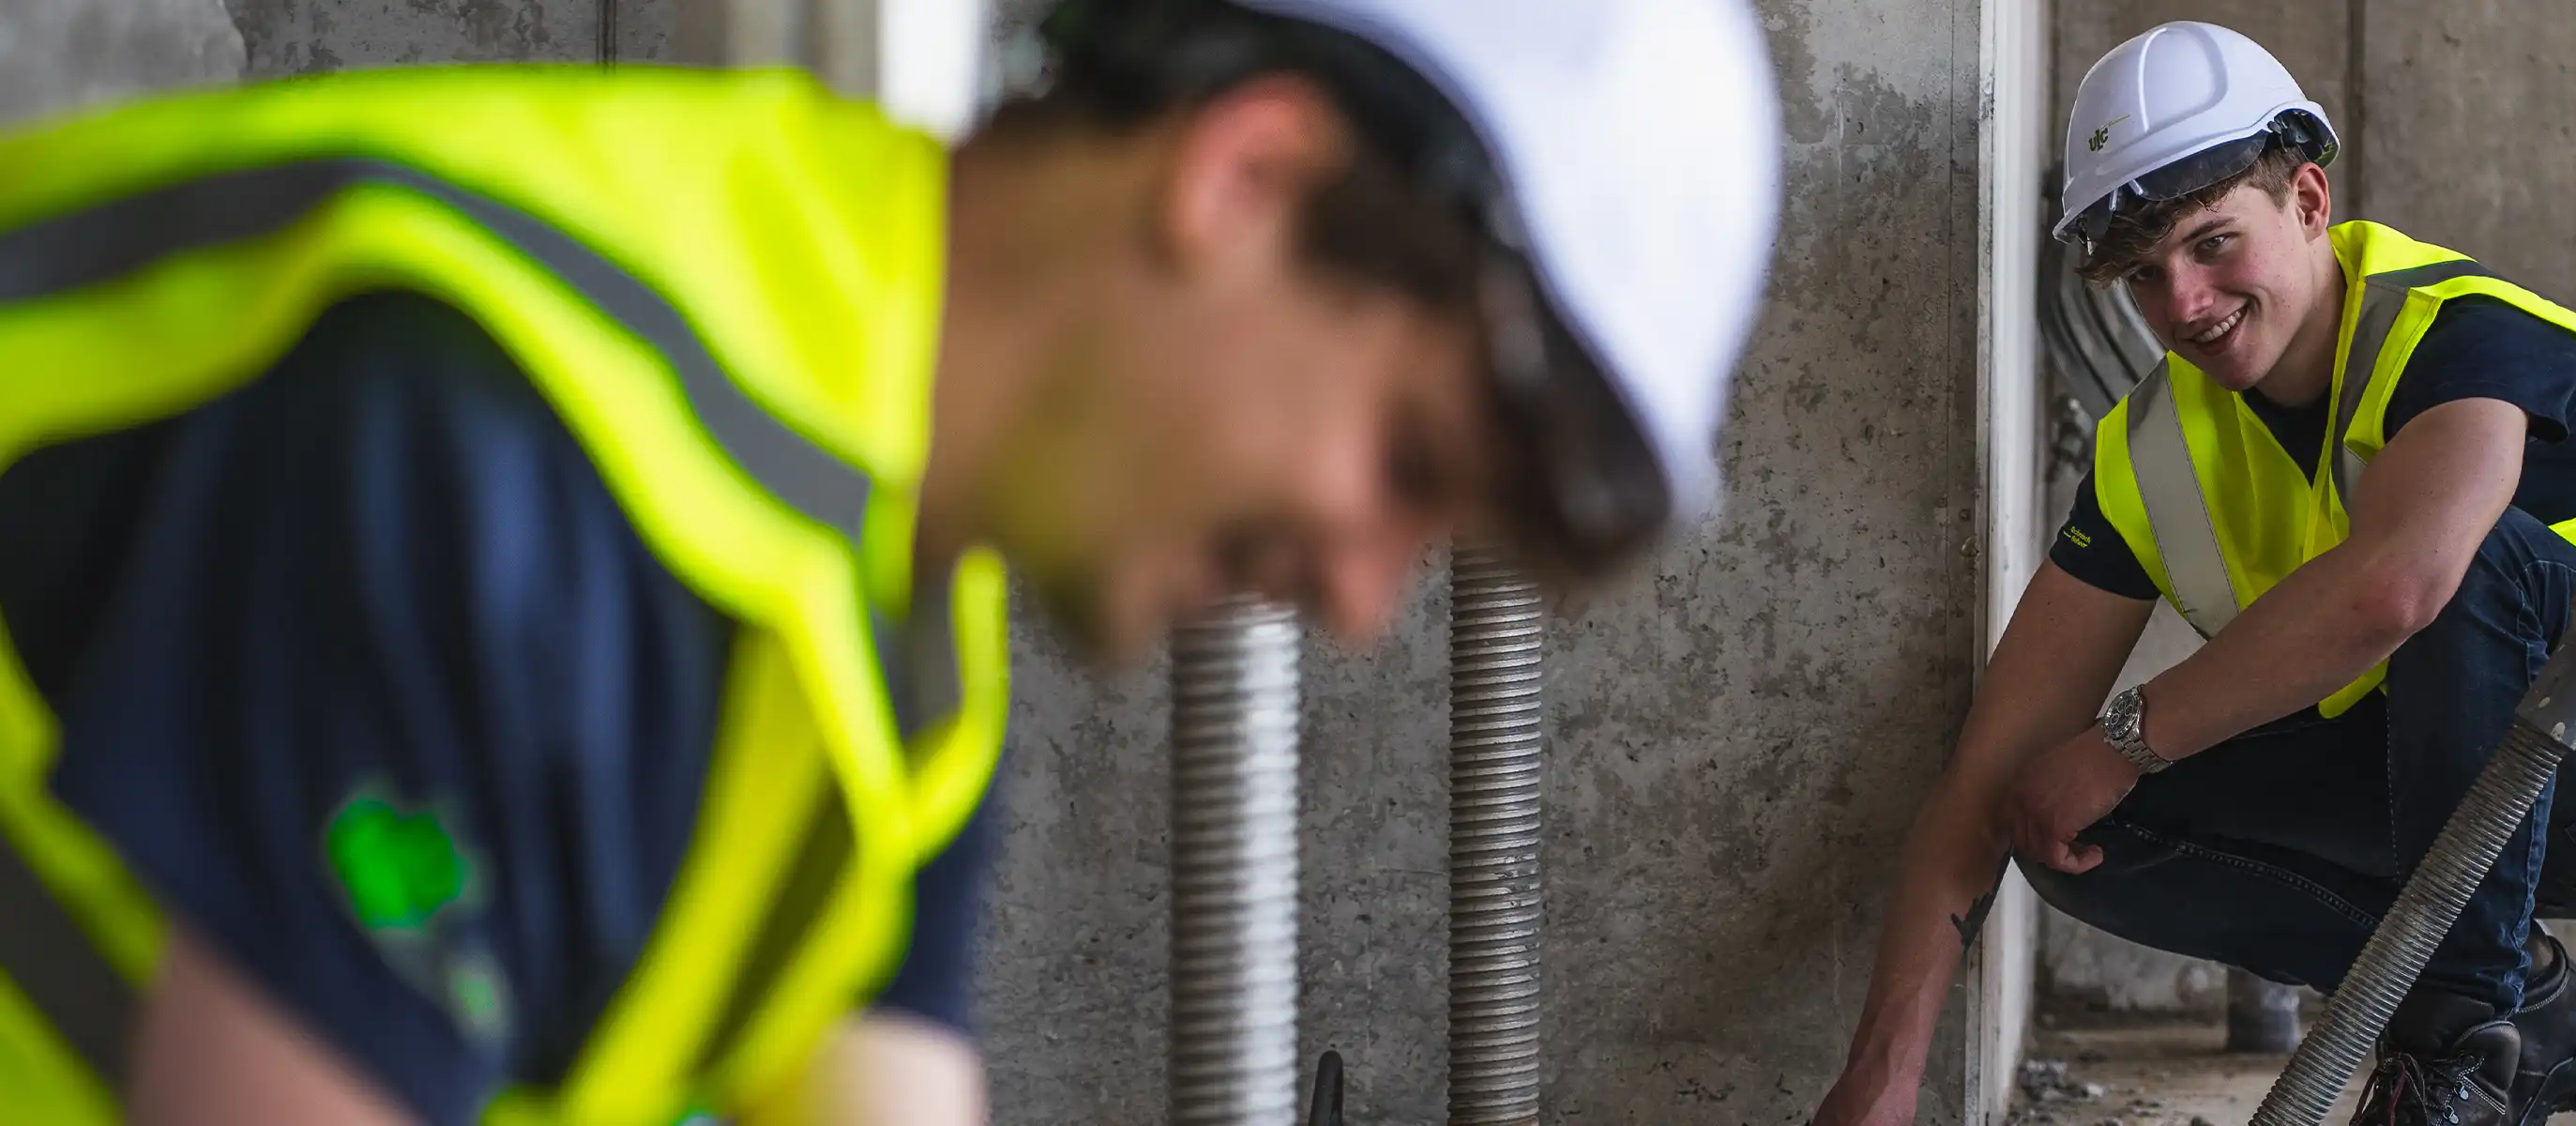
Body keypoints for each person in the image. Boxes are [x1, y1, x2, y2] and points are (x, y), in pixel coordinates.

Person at [0, 0, 1778, 1121]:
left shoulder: (895, 598)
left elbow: (869, 1079)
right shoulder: (504, 429)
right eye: (1405, 465)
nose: (1368, 599)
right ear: (1245, 177)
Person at [1811, 22, 2576, 1126]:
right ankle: (2528, 1007)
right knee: (2074, 831)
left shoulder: (2459, 338)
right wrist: (1881, 1083)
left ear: (2306, 200)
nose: (2182, 304)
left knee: (2461, 545)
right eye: (2144, 277)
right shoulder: (2152, 453)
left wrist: (2126, 735)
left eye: (2211, 244)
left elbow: (2405, 583)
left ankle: (2460, 1060)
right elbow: (1984, 778)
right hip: (2467, 793)